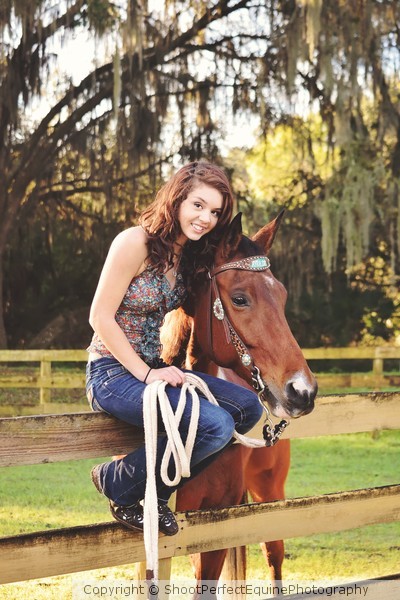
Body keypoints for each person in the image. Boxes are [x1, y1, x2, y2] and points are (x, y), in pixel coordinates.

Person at [86, 161, 263, 536]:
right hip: (112, 372)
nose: (205, 219)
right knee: (214, 425)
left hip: (155, 369)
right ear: (177, 198)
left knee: (247, 408)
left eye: (215, 211)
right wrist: (148, 374)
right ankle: (119, 484)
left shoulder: (190, 259)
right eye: (198, 205)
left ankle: (150, 489)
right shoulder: (134, 242)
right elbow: (100, 317)